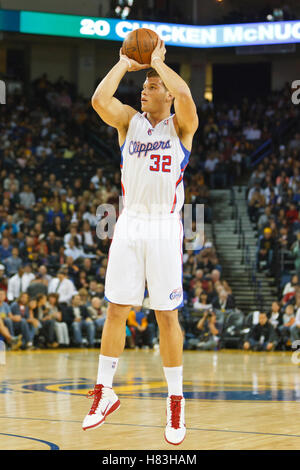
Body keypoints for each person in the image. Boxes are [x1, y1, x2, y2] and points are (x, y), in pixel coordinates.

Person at [82, 38, 198, 445]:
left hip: (164, 226)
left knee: (167, 316)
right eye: (143, 87)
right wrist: (123, 64)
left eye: (150, 87)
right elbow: (99, 99)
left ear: (165, 93)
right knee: (116, 309)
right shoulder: (128, 121)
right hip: (129, 221)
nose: (143, 91)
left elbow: (184, 94)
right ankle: (104, 392)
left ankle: (175, 401)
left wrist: (159, 64)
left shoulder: (182, 124)